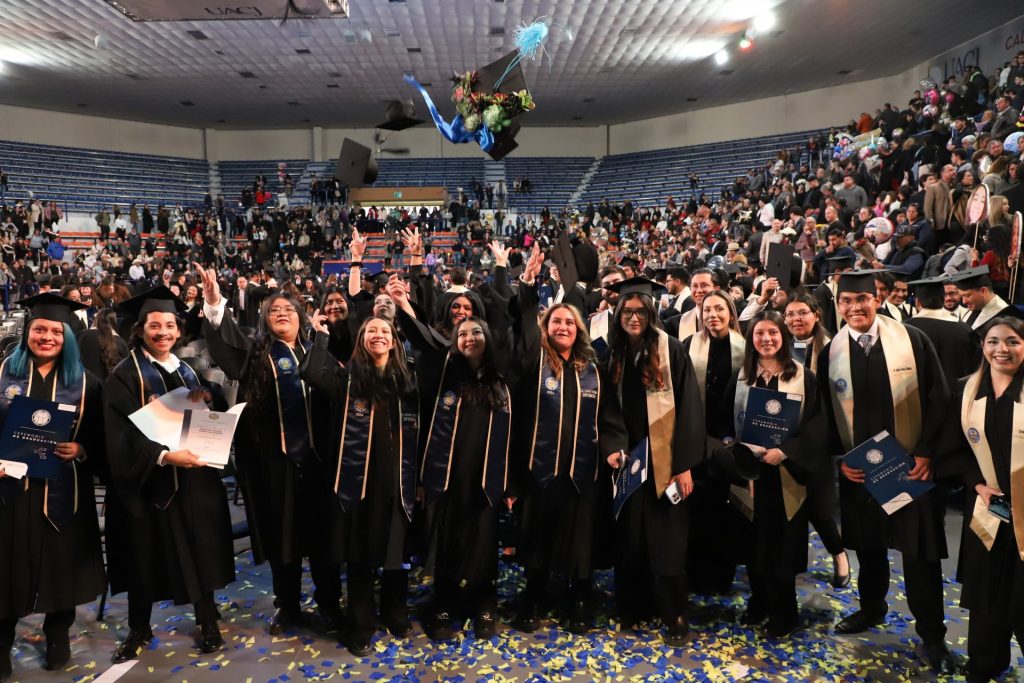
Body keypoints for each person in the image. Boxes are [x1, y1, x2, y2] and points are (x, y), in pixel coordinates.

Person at [816, 270, 958, 675]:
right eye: (846, 301)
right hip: (863, 471)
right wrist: (841, 459)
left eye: (862, 299)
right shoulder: (831, 352)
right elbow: (824, 412)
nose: (854, 308)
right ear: (838, 305)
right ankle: (871, 608)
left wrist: (926, 451)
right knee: (869, 546)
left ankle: (932, 634)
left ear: (876, 299)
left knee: (919, 555)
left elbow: (939, 397)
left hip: (908, 468)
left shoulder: (911, 340)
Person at [194, 265, 345, 641]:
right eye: (274, 310)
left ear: (302, 317)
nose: (281, 313)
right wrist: (214, 302)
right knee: (283, 536)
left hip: (319, 463)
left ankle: (329, 602)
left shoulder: (317, 351)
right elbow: (226, 345)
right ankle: (288, 604)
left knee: (322, 538)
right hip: (276, 462)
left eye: (288, 309)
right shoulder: (256, 353)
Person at [103, 286, 235, 663]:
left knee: (199, 550)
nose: (163, 332)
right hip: (149, 484)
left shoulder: (187, 370)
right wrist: (162, 456)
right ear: (140, 330)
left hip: (192, 482)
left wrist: (210, 397)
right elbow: (119, 434)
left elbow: (204, 413)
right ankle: (139, 628)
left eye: (169, 326)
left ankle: (207, 620)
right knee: (143, 557)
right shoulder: (124, 376)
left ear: (179, 331)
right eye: (154, 325)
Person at [510, 244, 627, 635]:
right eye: (556, 322)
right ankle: (535, 595)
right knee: (538, 536)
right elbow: (524, 320)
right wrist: (528, 283)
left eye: (569, 323)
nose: (562, 327)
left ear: (579, 330)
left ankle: (579, 597)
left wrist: (612, 451)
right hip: (539, 470)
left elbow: (609, 418)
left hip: (583, 471)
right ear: (546, 327)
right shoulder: (534, 361)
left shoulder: (592, 368)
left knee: (580, 540)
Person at [392, 284, 510, 640]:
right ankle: (444, 601)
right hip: (447, 474)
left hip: (485, 475)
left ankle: (484, 601)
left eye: (476, 332)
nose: (469, 337)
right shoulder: (443, 371)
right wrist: (403, 305)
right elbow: (421, 338)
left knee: (484, 539)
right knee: (446, 539)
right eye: (462, 334)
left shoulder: (502, 380)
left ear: (488, 337)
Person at [299, 313, 420, 657]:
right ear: (362, 340)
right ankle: (361, 622)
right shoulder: (347, 379)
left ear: (394, 342)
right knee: (360, 554)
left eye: (384, 331)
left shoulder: (409, 382)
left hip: (399, 479)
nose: (378, 335)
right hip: (360, 481)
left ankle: (395, 612)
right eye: (371, 331)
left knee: (396, 552)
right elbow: (312, 372)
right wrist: (319, 336)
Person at [0, 294, 106, 678]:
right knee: (7, 570)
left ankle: (58, 634)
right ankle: (1, 641)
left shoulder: (86, 383)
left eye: (55, 332)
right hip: (11, 493)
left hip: (64, 492)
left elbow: (101, 437)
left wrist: (81, 448)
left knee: (61, 568)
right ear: (27, 332)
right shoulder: (2, 375)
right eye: (39, 329)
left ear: (67, 337)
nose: (46, 337)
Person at [604, 276, 706, 646]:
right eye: (627, 312)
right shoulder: (613, 354)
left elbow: (690, 409)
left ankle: (675, 614)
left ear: (651, 314)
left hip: (666, 460)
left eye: (641, 312)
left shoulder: (671, 349)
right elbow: (607, 411)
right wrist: (613, 446)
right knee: (631, 539)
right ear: (618, 314)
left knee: (667, 541)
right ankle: (634, 607)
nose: (634, 318)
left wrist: (684, 464)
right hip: (630, 462)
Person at [722, 311, 827, 636]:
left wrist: (786, 451)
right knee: (754, 545)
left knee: (782, 546)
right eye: (759, 333)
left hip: (786, 474)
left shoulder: (803, 377)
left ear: (783, 337)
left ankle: (784, 611)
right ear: (751, 339)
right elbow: (723, 420)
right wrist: (733, 445)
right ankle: (759, 602)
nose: (766, 339)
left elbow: (817, 426)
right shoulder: (741, 376)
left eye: (773, 333)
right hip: (751, 473)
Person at [952, 317, 1024, 682]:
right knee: (987, 587)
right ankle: (985, 659)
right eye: (993, 341)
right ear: (983, 347)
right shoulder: (967, 391)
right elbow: (955, 448)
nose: (1001, 349)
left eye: (1012, 341)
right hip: (989, 505)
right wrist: (977, 484)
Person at [679, 290, 745, 594]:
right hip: (696, 439)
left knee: (725, 510)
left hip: (729, 441)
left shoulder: (746, 348)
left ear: (731, 313)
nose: (712, 315)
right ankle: (694, 573)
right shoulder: (688, 345)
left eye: (719, 309)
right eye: (707, 310)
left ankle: (721, 576)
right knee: (696, 508)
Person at [782, 294, 850, 587]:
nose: (796, 319)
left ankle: (839, 555)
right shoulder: (780, 346)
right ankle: (791, 561)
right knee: (790, 504)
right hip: (786, 437)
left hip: (821, 437)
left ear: (816, 315)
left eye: (802, 313)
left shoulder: (835, 348)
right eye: (790, 314)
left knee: (819, 508)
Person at [905, 275, 980, 385]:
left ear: (918, 302)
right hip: (957, 392)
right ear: (943, 299)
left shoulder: (904, 329)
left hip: (917, 391)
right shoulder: (965, 329)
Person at [951, 266, 1024, 331]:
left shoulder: (1008, 316)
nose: (964, 301)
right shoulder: (974, 308)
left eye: (967, 295)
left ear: (983, 291)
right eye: (962, 296)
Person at [76, 308, 129, 381]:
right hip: (108, 385)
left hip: (83, 383)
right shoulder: (121, 342)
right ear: (114, 322)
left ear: (96, 320)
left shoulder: (83, 335)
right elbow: (125, 370)